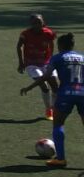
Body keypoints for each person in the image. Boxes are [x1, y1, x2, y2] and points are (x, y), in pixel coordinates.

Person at [22, 33, 84, 167]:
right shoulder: (82, 57)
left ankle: (60, 159)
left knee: (58, 124)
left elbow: (46, 77)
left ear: (60, 46)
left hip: (65, 94)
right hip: (83, 93)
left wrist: (29, 87)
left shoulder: (57, 57)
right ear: (72, 45)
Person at [18, 14, 57, 120]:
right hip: (31, 64)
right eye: (34, 22)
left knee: (55, 86)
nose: (37, 24)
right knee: (43, 85)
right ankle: (49, 110)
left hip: (46, 63)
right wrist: (21, 63)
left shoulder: (48, 33)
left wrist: (52, 59)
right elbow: (19, 46)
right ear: (31, 24)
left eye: (39, 22)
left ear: (43, 23)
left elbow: (51, 44)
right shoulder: (25, 34)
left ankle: (54, 108)